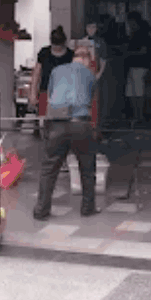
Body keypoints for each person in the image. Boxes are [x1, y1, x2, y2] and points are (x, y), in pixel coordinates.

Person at [33, 43, 101, 220]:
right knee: (87, 168)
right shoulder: (90, 75)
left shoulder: (57, 71)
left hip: (56, 124)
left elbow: (50, 95)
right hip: (80, 124)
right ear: (86, 59)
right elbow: (92, 99)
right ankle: (88, 207)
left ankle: (41, 210)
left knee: (49, 168)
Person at [31, 27, 74, 128]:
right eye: (54, 47)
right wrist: (32, 94)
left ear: (64, 43)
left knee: (63, 126)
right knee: (43, 124)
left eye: (59, 47)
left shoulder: (70, 55)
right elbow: (36, 74)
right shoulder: (44, 53)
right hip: (45, 93)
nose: (56, 49)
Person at [123, 13, 151, 125]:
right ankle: (137, 115)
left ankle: (138, 115)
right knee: (133, 91)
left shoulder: (141, 35)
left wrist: (128, 53)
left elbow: (144, 51)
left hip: (139, 66)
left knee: (136, 91)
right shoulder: (137, 34)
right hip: (136, 66)